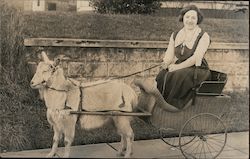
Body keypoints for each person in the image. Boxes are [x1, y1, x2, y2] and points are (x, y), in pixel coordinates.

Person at [155, 5, 211, 110]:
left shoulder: (203, 36)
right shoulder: (176, 35)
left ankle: (174, 108)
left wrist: (177, 67)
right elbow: (170, 54)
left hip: (197, 69)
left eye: (193, 18)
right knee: (162, 74)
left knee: (177, 76)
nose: (190, 20)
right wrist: (165, 63)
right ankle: (161, 106)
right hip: (182, 67)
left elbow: (195, 58)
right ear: (183, 18)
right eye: (187, 17)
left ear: (198, 19)